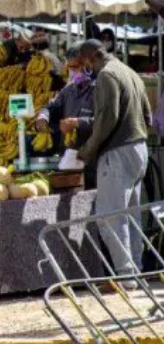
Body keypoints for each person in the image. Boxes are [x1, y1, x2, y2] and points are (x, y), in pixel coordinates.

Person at [77, 40, 152, 287]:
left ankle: (125, 276)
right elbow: (147, 114)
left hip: (117, 152)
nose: (84, 67)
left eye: (84, 62)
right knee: (130, 216)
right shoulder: (129, 71)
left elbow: (107, 118)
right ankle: (136, 272)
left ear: (91, 57)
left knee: (110, 217)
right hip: (139, 149)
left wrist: (88, 150)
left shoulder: (107, 75)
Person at [34, 43, 97, 189]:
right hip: (70, 160)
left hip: (93, 160)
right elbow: (50, 108)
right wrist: (43, 117)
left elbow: (106, 122)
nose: (72, 72)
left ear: (87, 65)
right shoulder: (68, 91)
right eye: (69, 68)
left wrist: (78, 123)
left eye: (75, 67)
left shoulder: (99, 89)